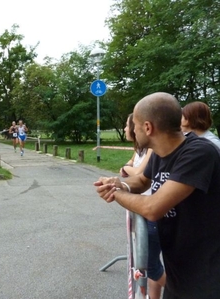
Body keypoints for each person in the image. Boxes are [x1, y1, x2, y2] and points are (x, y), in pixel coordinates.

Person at [94, 92, 220, 299]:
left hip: (207, 273)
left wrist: (115, 194)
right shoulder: (161, 152)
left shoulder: (199, 153)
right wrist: (119, 184)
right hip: (179, 268)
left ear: (147, 127)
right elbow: (143, 181)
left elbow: (153, 208)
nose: (132, 130)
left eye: (134, 124)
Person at [121, 114, 165, 299]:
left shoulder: (151, 150)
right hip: (144, 208)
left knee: (149, 263)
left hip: (151, 210)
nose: (124, 129)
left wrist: (119, 185)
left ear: (144, 127)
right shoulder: (139, 149)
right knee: (148, 262)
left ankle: (189, 291)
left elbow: (135, 172)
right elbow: (129, 171)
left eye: (127, 125)